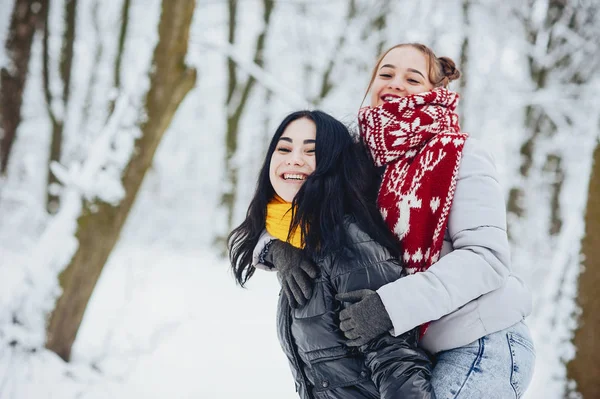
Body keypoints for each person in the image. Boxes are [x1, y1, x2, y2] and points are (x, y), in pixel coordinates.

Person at [255, 44, 536, 399]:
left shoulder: (460, 154)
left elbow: (486, 259)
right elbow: (300, 198)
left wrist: (389, 306)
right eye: (386, 74)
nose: (396, 83)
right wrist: (278, 246)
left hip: (480, 341)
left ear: (436, 92)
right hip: (414, 350)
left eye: (412, 78)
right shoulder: (356, 156)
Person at [228, 110, 436, 398]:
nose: (294, 158)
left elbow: (397, 365)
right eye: (284, 148)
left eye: (311, 151)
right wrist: (277, 249)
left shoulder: (348, 244)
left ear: (333, 165)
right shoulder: (296, 238)